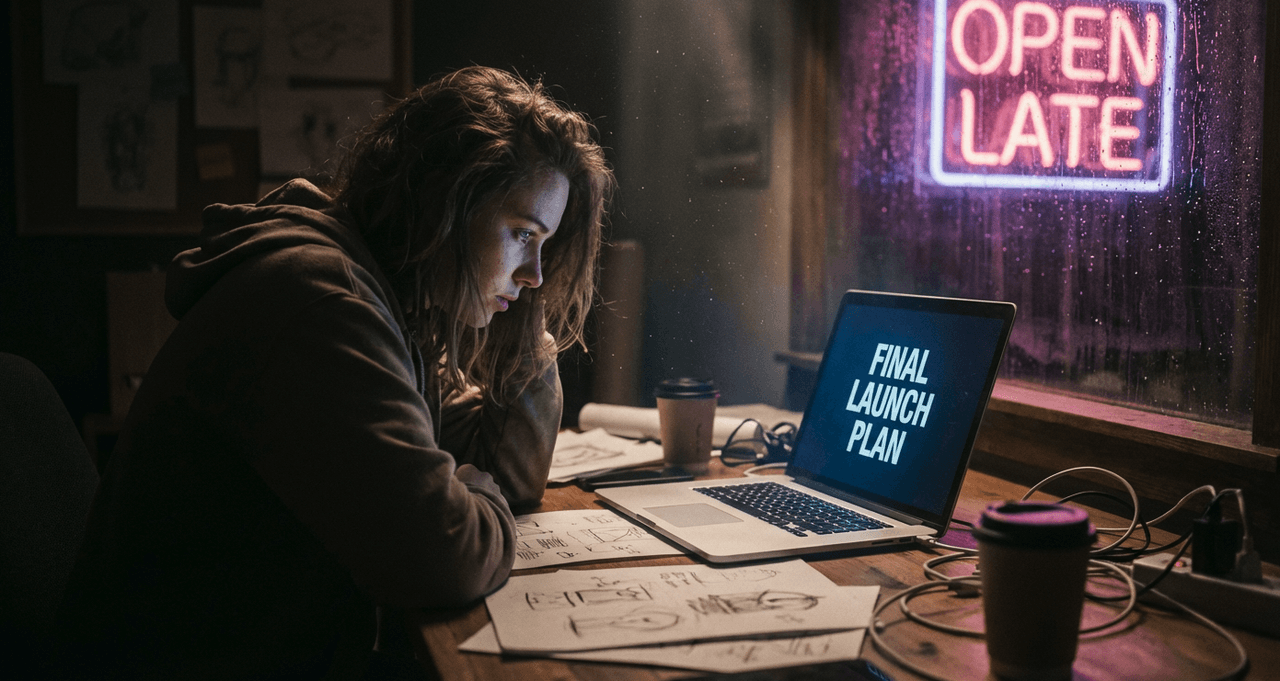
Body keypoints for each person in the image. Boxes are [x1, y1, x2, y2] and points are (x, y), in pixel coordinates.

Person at [52, 66, 613, 680]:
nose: (537, 273)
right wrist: (473, 489)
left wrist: (521, 327)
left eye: (547, 246)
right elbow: (441, 556)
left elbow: (504, 471)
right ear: (444, 205)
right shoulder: (321, 303)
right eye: (522, 234)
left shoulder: (386, 298)